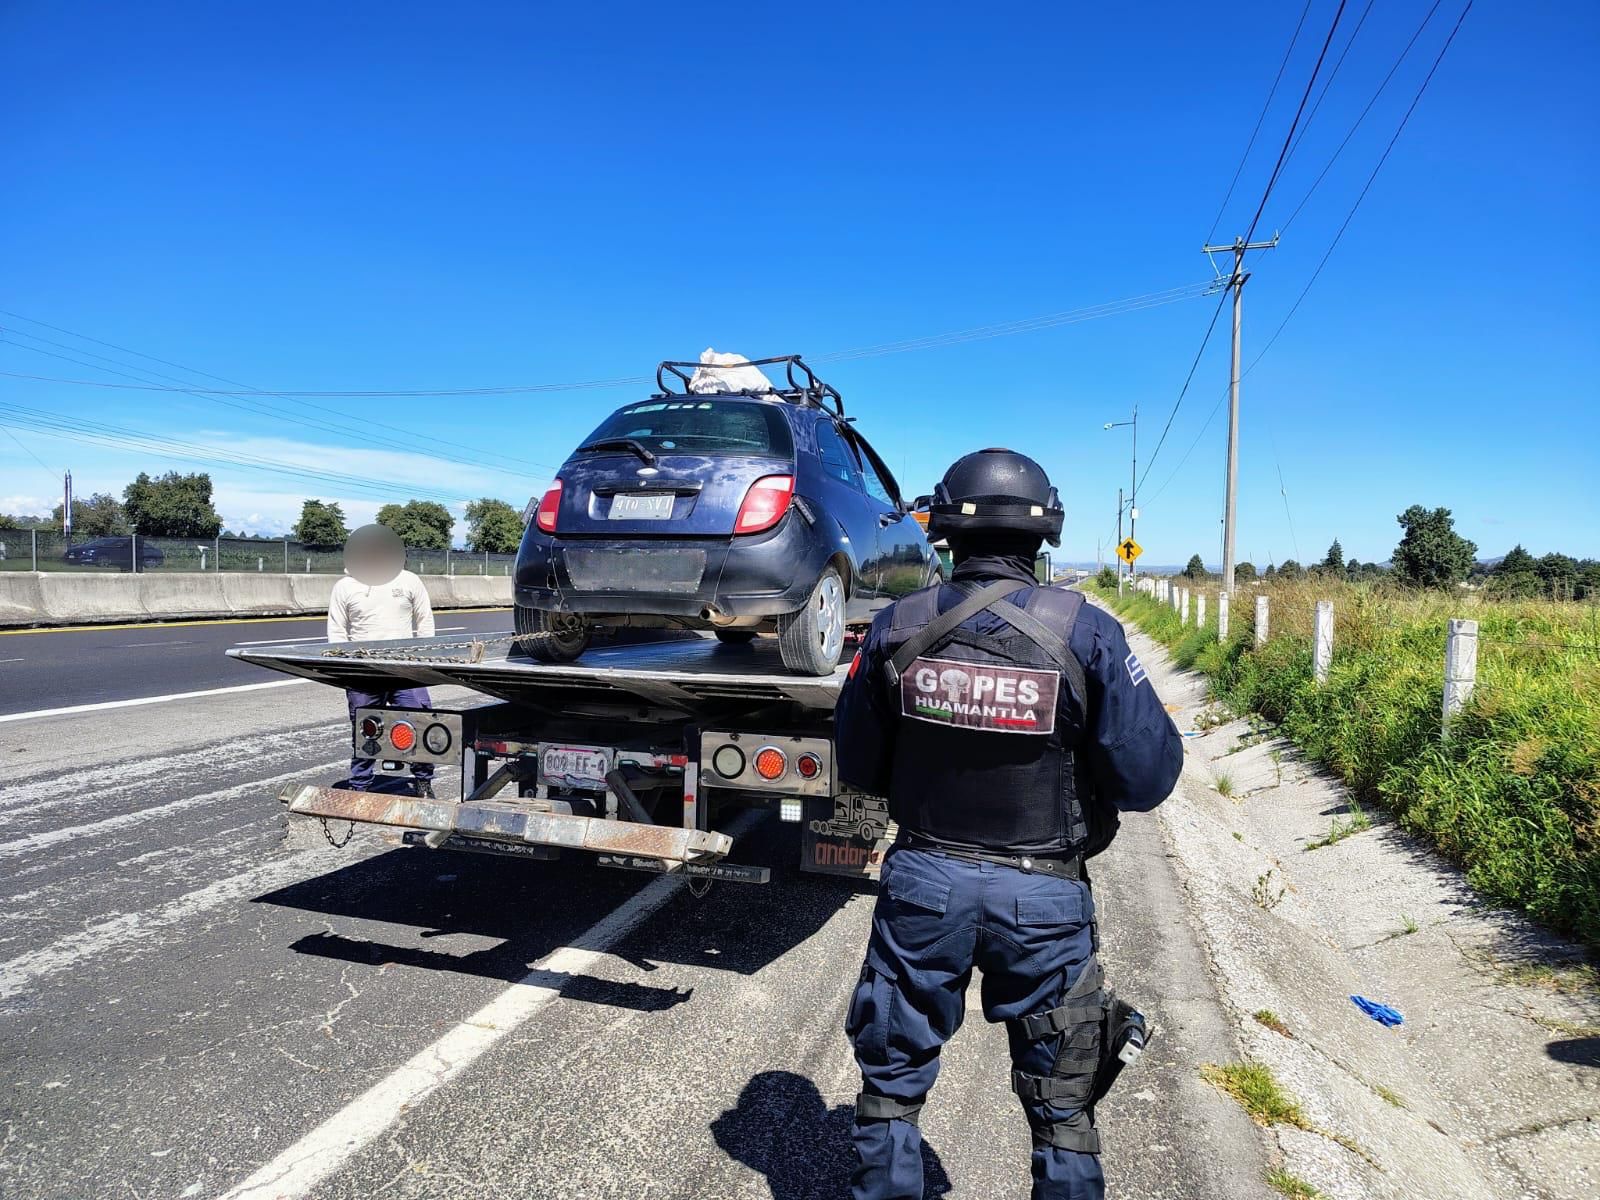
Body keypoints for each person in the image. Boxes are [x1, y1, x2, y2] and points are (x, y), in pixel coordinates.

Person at [834, 448, 1183, 1200]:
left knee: (890, 1089)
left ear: (944, 529)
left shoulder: (897, 626)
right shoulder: (1089, 633)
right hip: (1045, 901)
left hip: (923, 889)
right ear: (1045, 530)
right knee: (1063, 1110)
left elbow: (858, 763)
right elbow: (1148, 779)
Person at [328, 523, 438, 798]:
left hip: (406, 671)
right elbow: (336, 632)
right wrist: (345, 668)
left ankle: (423, 781)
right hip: (363, 673)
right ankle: (360, 787)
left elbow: (425, 622)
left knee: (419, 723)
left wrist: (424, 663)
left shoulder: (409, 581)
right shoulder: (345, 586)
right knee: (365, 731)